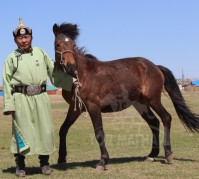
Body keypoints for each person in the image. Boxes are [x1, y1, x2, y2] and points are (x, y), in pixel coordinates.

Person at [3, 18, 75, 177]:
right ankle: (20, 165)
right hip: (21, 99)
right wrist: (9, 105)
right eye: (20, 38)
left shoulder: (40, 53)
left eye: (26, 37)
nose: (23, 40)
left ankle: (44, 164)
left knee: (45, 130)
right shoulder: (11, 58)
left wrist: (73, 82)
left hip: (41, 97)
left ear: (31, 38)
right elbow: (7, 83)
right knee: (22, 132)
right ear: (15, 40)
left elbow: (55, 74)